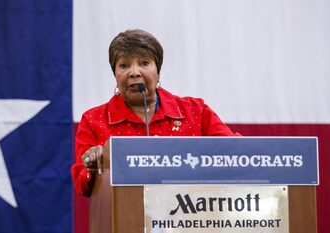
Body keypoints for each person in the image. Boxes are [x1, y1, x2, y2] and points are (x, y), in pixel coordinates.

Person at [71, 29, 239, 196]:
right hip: (125, 218)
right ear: (115, 74)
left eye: (144, 63)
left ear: (158, 72)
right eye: (124, 65)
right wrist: (91, 165)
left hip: (190, 215)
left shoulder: (195, 111)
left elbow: (237, 153)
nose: (134, 72)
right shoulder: (93, 120)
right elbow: (81, 183)